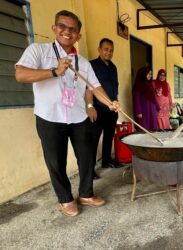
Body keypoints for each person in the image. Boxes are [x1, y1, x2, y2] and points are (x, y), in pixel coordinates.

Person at [15, 10, 120, 216]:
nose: (67, 32)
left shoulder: (83, 62)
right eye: (62, 26)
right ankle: (65, 199)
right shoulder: (38, 51)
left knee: (87, 156)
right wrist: (54, 71)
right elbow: (20, 74)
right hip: (49, 117)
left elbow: (95, 87)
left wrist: (110, 103)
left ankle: (86, 194)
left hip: (78, 116)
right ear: (54, 28)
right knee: (56, 160)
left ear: (78, 36)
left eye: (72, 29)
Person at [86, 38, 119, 178]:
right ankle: (90, 170)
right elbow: (88, 88)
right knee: (93, 140)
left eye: (111, 50)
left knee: (108, 137)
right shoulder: (91, 65)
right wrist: (90, 106)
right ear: (99, 49)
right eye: (106, 49)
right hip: (97, 108)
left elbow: (115, 87)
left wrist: (116, 102)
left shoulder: (113, 67)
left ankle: (106, 161)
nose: (108, 52)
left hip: (111, 110)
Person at [132, 66, 159, 131]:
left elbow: (153, 97)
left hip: (152, 110)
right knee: (144, 128)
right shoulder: (138, 85)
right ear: (143, 74)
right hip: (144, 111)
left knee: (153, 128)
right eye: (148, 74)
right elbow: (136, 99)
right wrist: (138, 112)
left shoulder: (150, 84)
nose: (150, 75)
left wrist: (157, 107)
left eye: (151, 74)